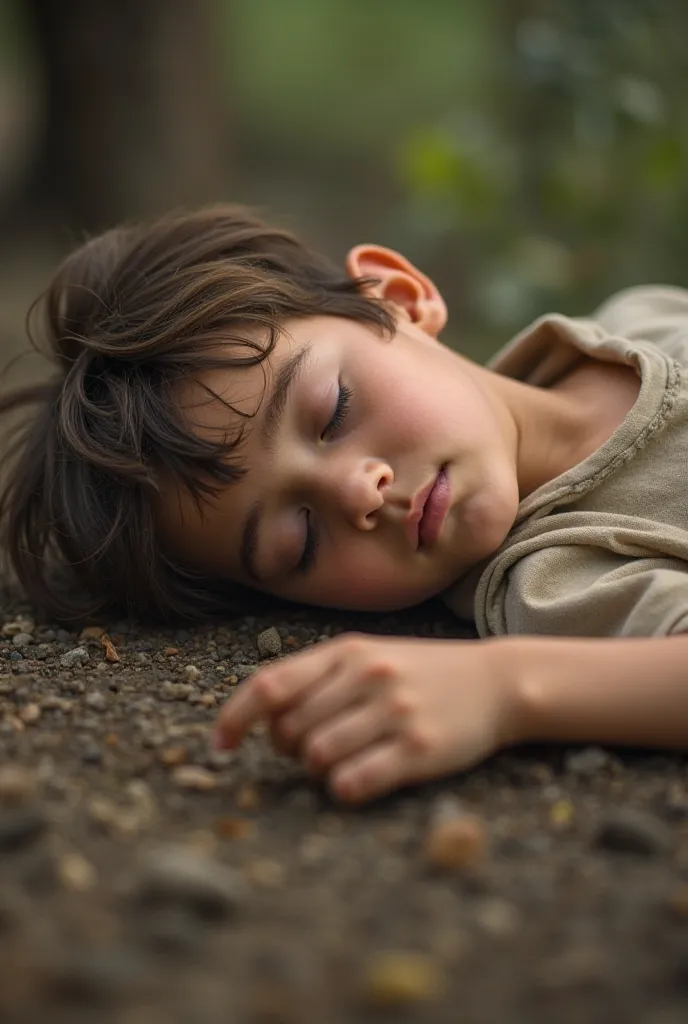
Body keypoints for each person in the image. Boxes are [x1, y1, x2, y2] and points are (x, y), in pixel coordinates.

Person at [1, 205, 687, 805]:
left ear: (398, 296)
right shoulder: (558, 578)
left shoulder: (641, 318)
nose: (359, 492)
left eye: (335, 411)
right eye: (299, 540)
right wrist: (504, 689)